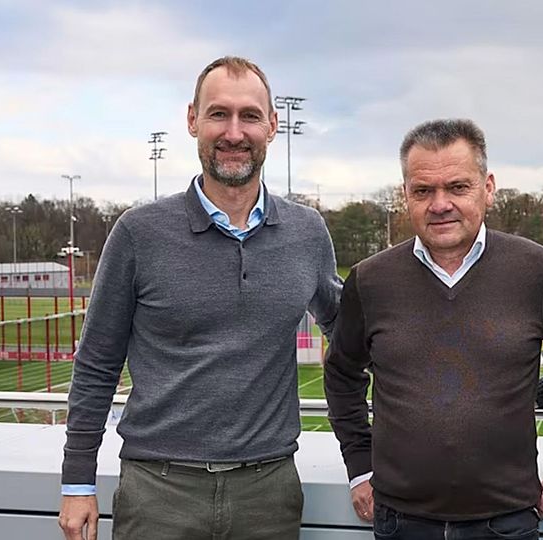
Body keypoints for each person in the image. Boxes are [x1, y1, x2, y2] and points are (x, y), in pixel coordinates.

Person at [58, 56, 341, 540]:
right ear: (193, 120)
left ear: (272, 126)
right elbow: (97, 362)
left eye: (250, 116)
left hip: (268, 492)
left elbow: (352, 335)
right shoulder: (138, 233)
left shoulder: (307, 232)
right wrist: (77, 481)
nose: (234, 132)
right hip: (158, 492)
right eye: (218, 114)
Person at [323, 118, 543, 540]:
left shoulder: (539, 270)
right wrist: (359, 464)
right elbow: (342, 373)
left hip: (507, 520)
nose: (440, 204)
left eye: (458, 187)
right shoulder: (370, 279)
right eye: (423, 190)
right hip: (400, 521)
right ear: (406, 196)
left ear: (487, 187)